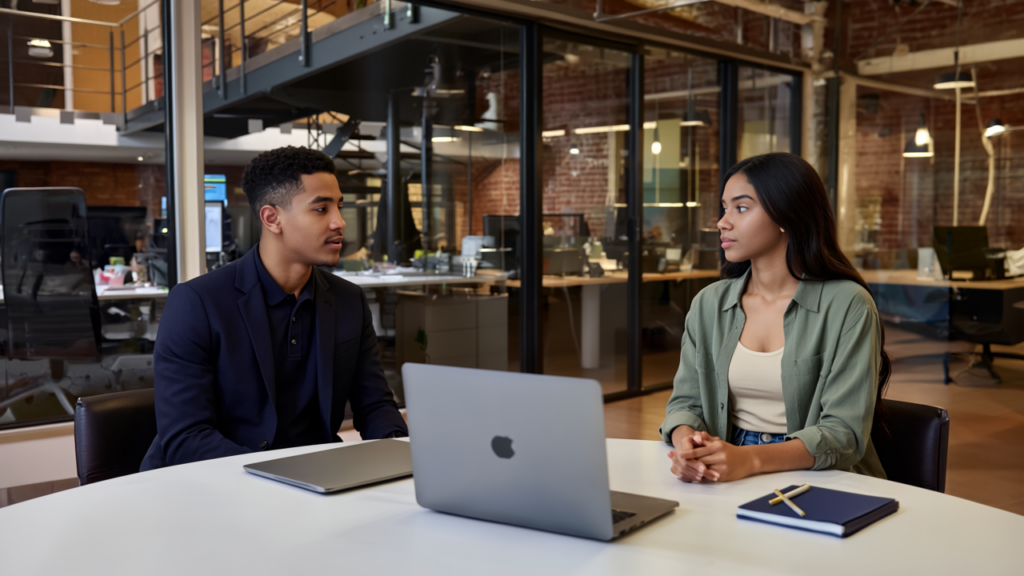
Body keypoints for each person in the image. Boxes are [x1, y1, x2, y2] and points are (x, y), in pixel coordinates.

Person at [141, 146, 407, 470]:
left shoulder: (349, 300)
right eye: (321, 209)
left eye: (339, 206)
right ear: (272, 218)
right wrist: (278, 477)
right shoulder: (197, 303)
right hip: (213, 487)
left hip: (314, 480)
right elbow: (186, 437)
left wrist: (402, 459)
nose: (339, 222)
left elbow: (375, 405)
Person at [660, 152, 889, 483]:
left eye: (741, 208)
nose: (723, 222)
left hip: (822, 475)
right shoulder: (709, 304)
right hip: (725, 462)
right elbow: (685, 404)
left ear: (786, 215)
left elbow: (844, 433)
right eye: (725, 208)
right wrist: (688, 446)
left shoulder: (848, 305)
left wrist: (749, 458)